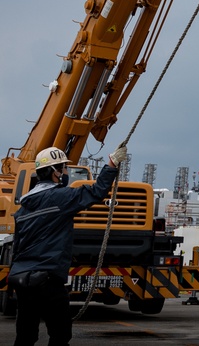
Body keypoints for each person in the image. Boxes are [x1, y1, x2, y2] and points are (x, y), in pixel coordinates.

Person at [11, 143, 127, 346]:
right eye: (64, 168)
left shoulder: (22, 208)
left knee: (25, 336)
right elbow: (97, 191)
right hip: (48, 280)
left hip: (23, 281)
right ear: (55, 172)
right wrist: (111, 163)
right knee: (60, 335)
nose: (65, 172)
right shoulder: (61, 197)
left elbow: (18, 247)